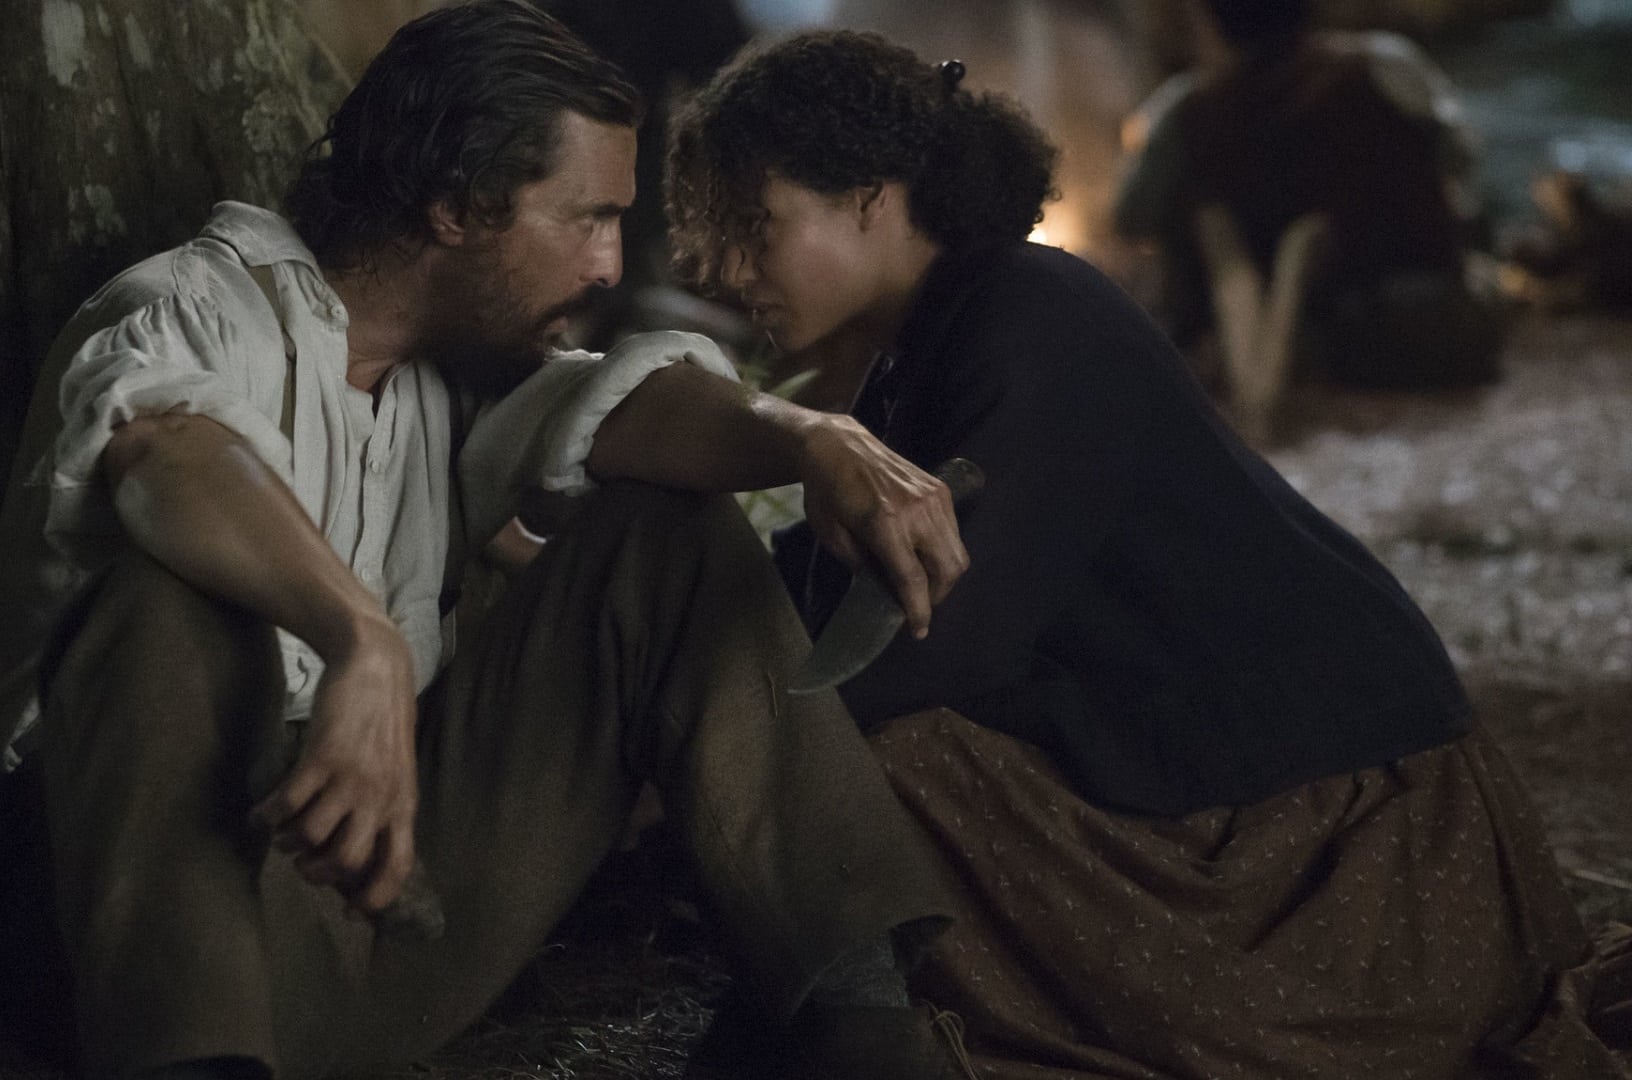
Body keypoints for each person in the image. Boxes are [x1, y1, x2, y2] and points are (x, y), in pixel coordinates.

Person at [0, 4, 983, 1078]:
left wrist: (812, 438)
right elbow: (165, 454)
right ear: (456, 205)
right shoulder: (190, 310)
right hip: (134, 950)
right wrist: (361, 637)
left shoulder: (451, 380)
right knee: (162, 599)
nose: (609, 263)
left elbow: (628, 405)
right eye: (586, 218)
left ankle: (865, 1033)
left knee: (666, 537)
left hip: (376, 916)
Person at [666, 28, 1632, 1079]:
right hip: (1201, 761)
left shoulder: (1031, 315)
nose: (724, 270)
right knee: (850, 744)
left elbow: (949, 637)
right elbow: (837, 580)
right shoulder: (927, 339)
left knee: (895, 760)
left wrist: (721, 742)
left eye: (754, 226)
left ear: (869, 196)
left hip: (1338, 824)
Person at [1114, 0, 1503, 391]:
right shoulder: (1386, 64)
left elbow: (1132, 215)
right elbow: (1460, 158)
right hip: (1423, 325)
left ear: (1212, 21)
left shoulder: (1186, 110)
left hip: (1286, 346)